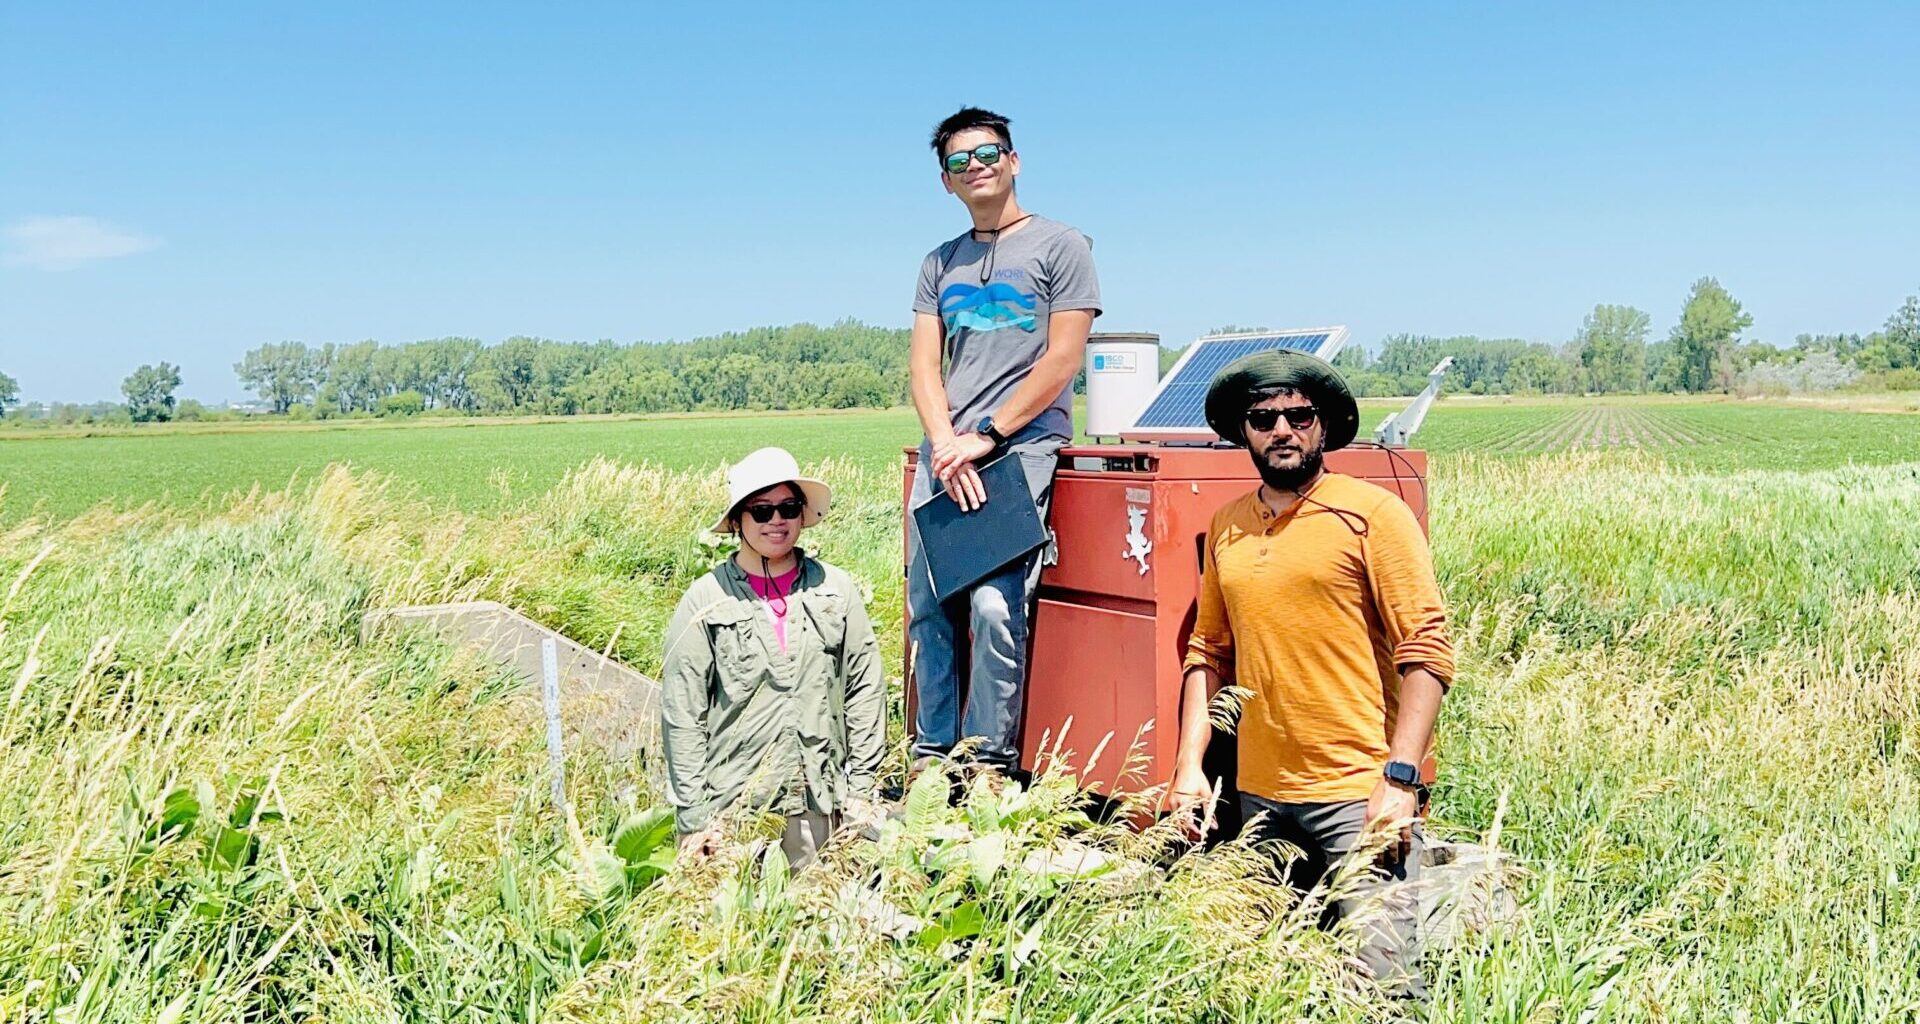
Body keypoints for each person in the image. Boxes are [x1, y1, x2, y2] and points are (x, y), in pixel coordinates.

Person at [1167, 351, 1454, 1002]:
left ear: (1325, 427)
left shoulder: (1373, 515)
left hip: (1358, 794)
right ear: (1243, 432)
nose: (1282, 430)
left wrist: (1400, 779)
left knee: (1383, 992)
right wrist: (1189, 769)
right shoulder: (1227, 526)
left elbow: (1429, 650)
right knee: (1265, 983)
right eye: (1264, 418)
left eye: (1299, 415)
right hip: (1259, 799)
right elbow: (1207, 651)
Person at [906, 106, 1101, 777]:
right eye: (960, 162)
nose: (976, 167)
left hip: (1016, 452)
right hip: (947, 453)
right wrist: (944, 442)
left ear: (1013, 161)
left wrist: (987, 437)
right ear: (946, 182)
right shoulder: (939, 263)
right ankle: (933, 757)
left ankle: (985, 766)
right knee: (928, 607)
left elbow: (1061, 360)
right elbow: (924, 365)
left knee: (993, 606)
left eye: (988, 153)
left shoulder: (1060, 246)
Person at [660, 447, 885, 868]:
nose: (777, 521)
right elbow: (682, 713)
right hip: (734, 810)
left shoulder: (836, 590)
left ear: (803, 514)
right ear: (738, 522)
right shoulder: (705, 599)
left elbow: (865, 690)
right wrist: (693, 818)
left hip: (822, 804)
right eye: (762, 511)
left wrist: (863, 789)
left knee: (818, 923)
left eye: (787, 507)